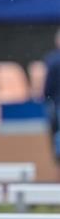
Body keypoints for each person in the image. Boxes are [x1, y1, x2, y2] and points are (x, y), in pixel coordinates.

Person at [43, 28, 60, 165]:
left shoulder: (53, 59)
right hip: (57, 101)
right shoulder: (53, 59)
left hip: (56, 102)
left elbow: (48, 85)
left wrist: (46, 96)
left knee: (57, 133)